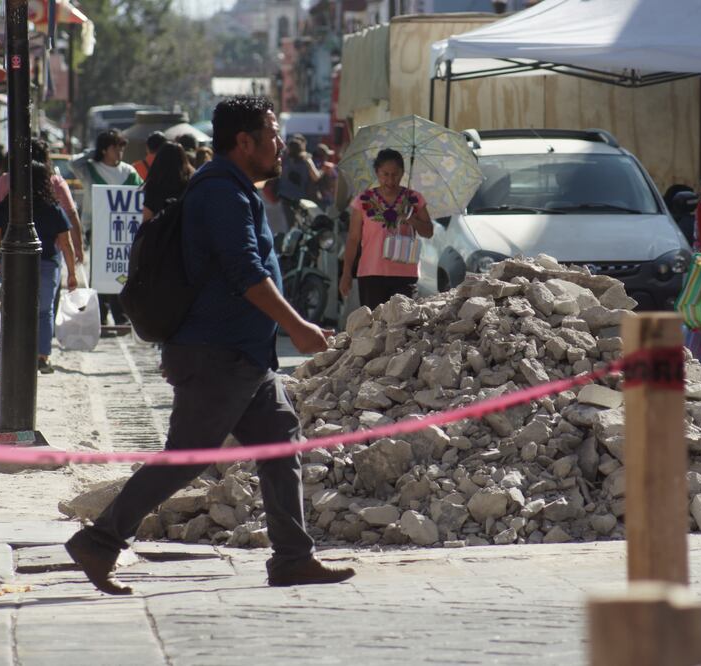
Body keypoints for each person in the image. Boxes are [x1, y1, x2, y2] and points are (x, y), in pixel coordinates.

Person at [64, 95, 353, 595]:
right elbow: (246, 273)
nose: (280, 144)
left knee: (280, 438)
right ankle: (101, 539)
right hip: (215, 354)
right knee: (189, 457)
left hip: (243, 357)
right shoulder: (221, 192)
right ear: (245, 142)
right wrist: (299, 327)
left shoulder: (235, 188)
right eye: (272, 132)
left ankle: (292, 556)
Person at [0, 162, 77, 372]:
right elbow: (65, 242)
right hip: (47, 262)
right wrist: (72, 273)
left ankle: (15, 355)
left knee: (16, 310)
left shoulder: (10, 204)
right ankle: (42, 355)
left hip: (14, 263)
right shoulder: (52, 206)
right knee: (44, 311)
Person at [339, 148, 434, 309]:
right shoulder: (363, 200)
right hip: (371, 274)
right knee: (375, 328)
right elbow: (353, 239)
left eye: (395, 174)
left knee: (403, 327)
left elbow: (428, 232)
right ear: (377, 172)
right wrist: (346, 273)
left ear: (403, 173)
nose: (390, 180)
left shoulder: (414, 199)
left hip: (405, 275)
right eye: (385, 174)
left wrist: (412, 220)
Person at [72, 129, 143, 326]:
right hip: (96, 228)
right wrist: (93, 151)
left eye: (122, 147)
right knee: (99, 274)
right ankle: (100, 314)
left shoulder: (129, 172)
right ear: (104, 150)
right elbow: (73, 162)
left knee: (119, 272)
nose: (120, 151)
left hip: (121, 233)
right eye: (115, 147)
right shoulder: (90, 168)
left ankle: (120, 314)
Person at [0, 138, 85, 268]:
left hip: (10, 253)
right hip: (49, 254)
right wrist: (78, 248)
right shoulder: (56, 183)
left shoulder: (4, 181)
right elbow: (71, 214)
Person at [140, 141, 194, 221]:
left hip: (160, 231)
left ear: (159, 161)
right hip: (184, 230)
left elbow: (147, 218)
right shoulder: (190, 183)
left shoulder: (154, 185)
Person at [278, 138, 320, 225]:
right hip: (301, 198)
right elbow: (316, 177)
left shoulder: (283, 160)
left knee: (290, 224)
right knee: (302, 225)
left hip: (285, 197)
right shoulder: (306, 161)